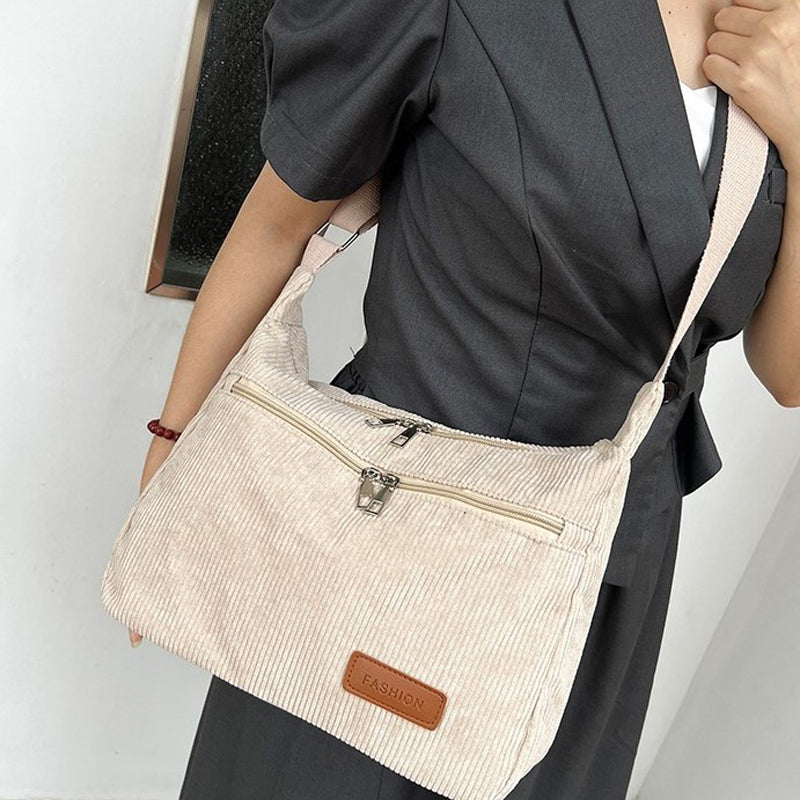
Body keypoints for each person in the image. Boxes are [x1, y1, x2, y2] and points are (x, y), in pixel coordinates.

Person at [132, 0, 800, 797]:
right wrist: (174, 452)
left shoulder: (786, 42)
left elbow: (786, 376)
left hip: (600, 579)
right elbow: (280, 225)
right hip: (398, 538)